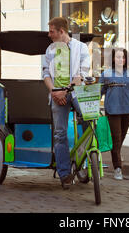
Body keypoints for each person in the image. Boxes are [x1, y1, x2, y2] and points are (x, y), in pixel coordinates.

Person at [42, 17, 90, 189]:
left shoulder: (80, 47)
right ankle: (64, 174)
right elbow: (45, 74)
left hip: (75, 92)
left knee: (89, 120)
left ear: (62, 31)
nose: (49, 35)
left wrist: (66, 90)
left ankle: (86, 158)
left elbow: (81, 76)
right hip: (57, 94)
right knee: (60, 133)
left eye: (52, 31)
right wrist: (55, 91)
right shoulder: (50, 50)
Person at [100, 48, 129, 180]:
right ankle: (117, 168)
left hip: (127, 109)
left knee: (121, 138)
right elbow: (100, 90)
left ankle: (117, 155)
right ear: (113, 59)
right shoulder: (107, 74)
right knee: (116, 138)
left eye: (123, 57)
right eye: (118, 57)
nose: (121, 59)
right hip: (112, 110)